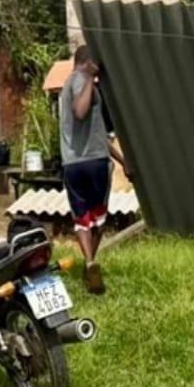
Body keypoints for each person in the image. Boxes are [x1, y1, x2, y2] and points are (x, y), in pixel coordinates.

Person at [59, 45, 127, 294]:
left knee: (82, 219)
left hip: (72, 164)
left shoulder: (66, 86)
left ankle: (89, 263)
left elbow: (99, 134)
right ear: (87, 63)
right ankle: (90, 262)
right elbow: (80, 111)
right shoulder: (80, 80)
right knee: (98, 219)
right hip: (93, 162)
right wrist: (89, 78)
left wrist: (122, 161)